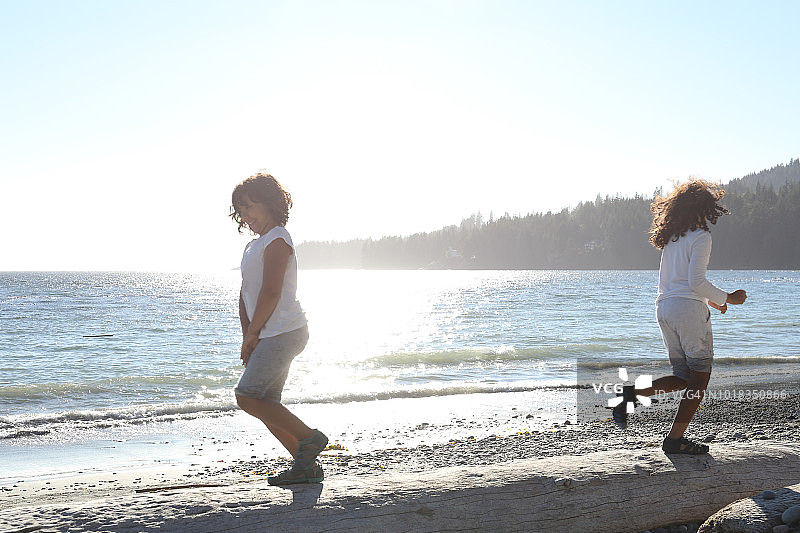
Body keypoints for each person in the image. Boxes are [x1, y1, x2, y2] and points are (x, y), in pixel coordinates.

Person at [613, 179, 747, 454]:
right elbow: (696, 282)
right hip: (688, 311)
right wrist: (729, 298)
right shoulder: (701, 236)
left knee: (683, 376)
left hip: (665, 309)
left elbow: (681, 285)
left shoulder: (672, 239)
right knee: (699, 380)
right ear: (704, 208)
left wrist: (711, 301)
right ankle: (675, 440)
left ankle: (630, 394)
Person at [230, 172, 328, 484]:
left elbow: (271, 292)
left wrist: (254, 333)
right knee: (266, 404)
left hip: (285, 331)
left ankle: (310, 439)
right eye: (240, 210)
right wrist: (248, 335)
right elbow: (246, 293)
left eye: (250, 207)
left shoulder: (278, 239)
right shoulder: (253, 246)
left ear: (271, 203)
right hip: (267, 333)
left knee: (247, 397)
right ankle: (306, 466)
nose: (245, 215)